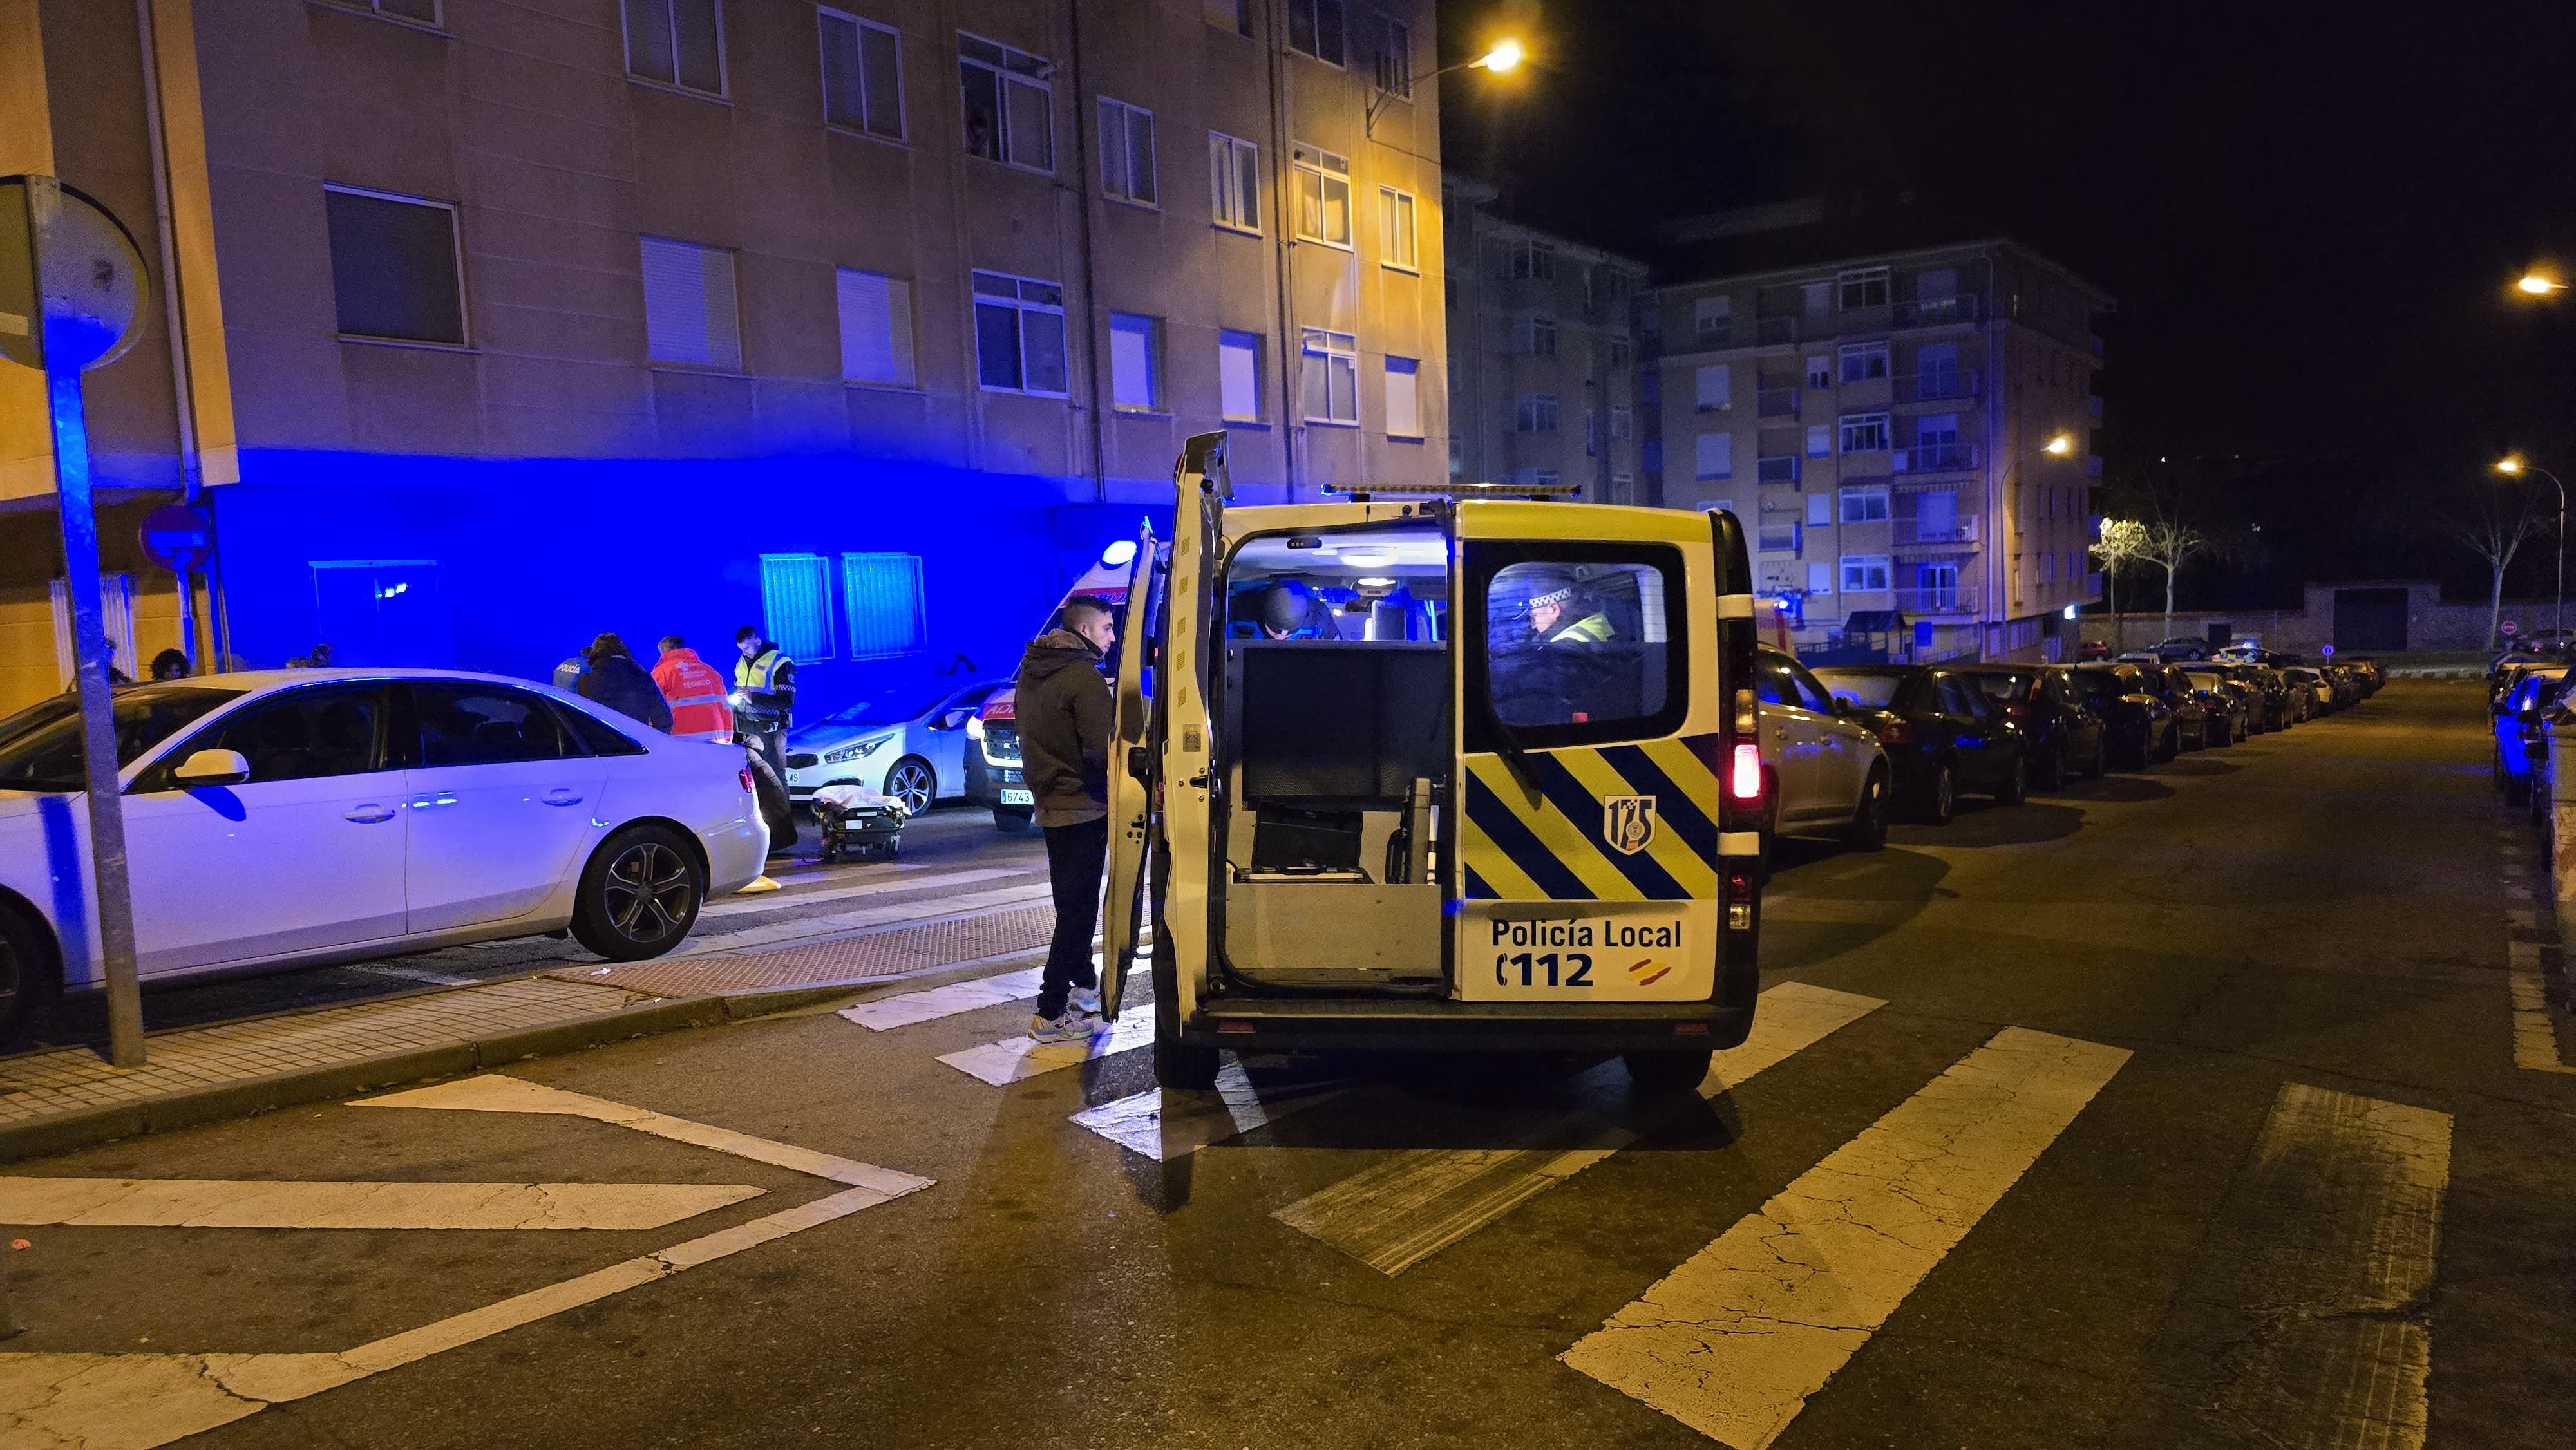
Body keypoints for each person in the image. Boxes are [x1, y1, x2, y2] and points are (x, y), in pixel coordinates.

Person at [1016, 596, 1117, 1043]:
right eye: (1107, 628)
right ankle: (1050, 1011)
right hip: (1083, 806)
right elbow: (1104, 749)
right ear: (1084, 631)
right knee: (1077, 913)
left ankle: (1087, 985)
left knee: (1070, 906)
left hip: (1051, 805)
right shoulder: (1084, 678)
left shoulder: (1034, 673)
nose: (1113, 638)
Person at [732, 625, 797, 782]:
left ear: (757, 641)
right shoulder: (742, 662)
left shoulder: (781, 662)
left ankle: (781, 807)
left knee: (775, 776)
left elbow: (786, 701)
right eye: (741, 649)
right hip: (747, 727)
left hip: (771, 729)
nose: (744, 653)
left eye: (747, 648)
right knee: (754, 777)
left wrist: (752, 698)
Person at [574, 632, 674, 732]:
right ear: (623, 650)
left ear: (594, 654)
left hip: (597, 745)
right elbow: (663, 720)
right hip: (634, 742)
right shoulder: (642, 678)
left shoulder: (586, 682)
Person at [651, 635, 732, 742]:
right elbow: (726, 709)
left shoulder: (662, 673)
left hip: (681, 740)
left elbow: (652, 707)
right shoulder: (710, 672)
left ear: (665, 649)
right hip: (715, 741)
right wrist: (727, 740)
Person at [1526, 572, 1615, 644]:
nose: (1534, 626)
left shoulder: (1563, 646)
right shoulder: (1597, 623)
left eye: (1535, 616)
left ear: (1554, 609)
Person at [1256, 580, 1340, 640]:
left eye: (1289, 633)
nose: (1279, 638)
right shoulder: (1250, 608)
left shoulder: (1320, 617)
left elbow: (1338, 651)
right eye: (1274, 630)